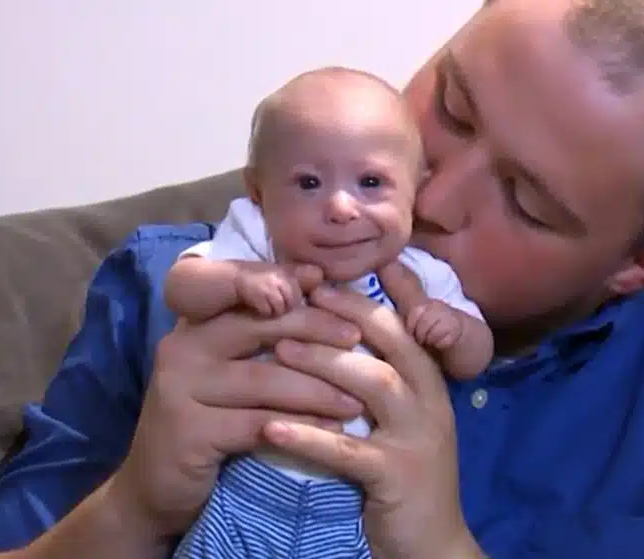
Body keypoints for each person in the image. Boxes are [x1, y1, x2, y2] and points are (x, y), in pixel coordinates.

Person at [0, 0, 644, 557]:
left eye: (526, 199)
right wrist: (128, 511)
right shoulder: (179, 285)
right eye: (454, 106)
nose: (431, 192)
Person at [165, 66, 492, 559]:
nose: (341, 206)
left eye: (371, 181)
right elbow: (182, 286)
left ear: (414, 191)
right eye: (309, 182)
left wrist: (452, 329)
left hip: (354, 509)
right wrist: (237, 281)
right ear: (258, 192)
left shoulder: (418, 278)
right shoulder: (258, 244)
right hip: (244, 492)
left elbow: (476, 356)